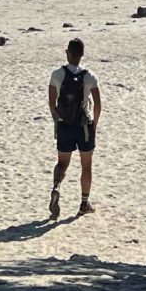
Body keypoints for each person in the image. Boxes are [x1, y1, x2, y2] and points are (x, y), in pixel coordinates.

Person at [48, 36, 101, 219]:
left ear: (68, 53)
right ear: (82, 55)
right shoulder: (89, 76)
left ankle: (56, 187)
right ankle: (84, 203)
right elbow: (98, 104)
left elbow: (52, 103)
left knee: (62, 163)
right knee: (86, 166)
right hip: (84, 127)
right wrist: (94, 124)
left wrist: (57, 121)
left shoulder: (56, 74)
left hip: (64, 125)